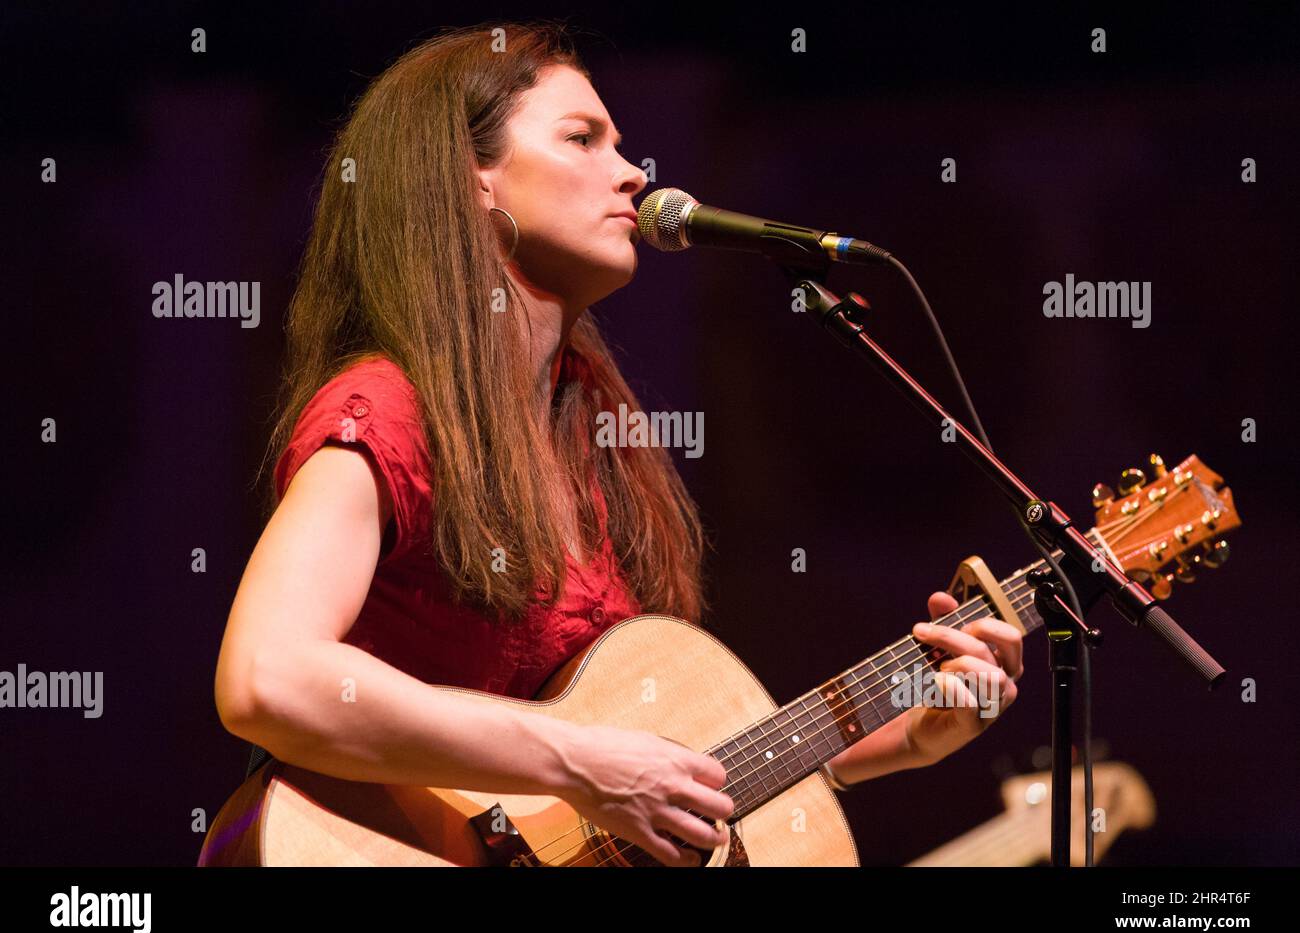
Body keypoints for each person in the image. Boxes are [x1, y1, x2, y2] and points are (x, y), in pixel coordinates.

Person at [213, 20, 1024, 868]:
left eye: (623, 144)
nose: (634, 173)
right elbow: (267, 675)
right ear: (469, 181)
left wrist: (904, 735)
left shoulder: (586, 428)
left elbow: (635, 785)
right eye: (582, 138)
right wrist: (578, 763)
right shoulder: (387, 409)